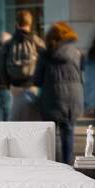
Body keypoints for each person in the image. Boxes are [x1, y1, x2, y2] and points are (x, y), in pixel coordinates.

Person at [33, 21, 83, 165]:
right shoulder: (76, 53)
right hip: (74, 98)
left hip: (52, 98)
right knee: (68, 133)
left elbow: (37, 80)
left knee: (52, 135)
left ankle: (55, 166)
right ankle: (68, 166)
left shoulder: (45, 55)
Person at [1, 10, 45, 121]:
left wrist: (9, 85)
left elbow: (1, 69)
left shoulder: (8, 44)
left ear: (16, 24)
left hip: (15, 88)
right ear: (30, 24)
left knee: (16, 126)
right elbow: (46, 62)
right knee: (35, 125)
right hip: (33, 87)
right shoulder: (37, 42)